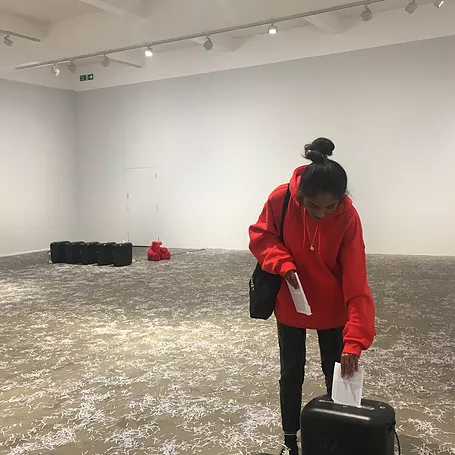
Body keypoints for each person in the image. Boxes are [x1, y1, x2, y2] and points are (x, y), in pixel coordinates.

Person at [249, 138, 375, 455]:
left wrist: (355, 340)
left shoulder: (348, 218)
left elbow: (356, 280)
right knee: (291, 373)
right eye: (312, 207)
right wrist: (283, 263)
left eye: (329, 207)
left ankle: (336, 436)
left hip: (332, 308)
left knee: (337, 372)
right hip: (292, 301)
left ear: (342, 200)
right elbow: (261, 235)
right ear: (300, 195)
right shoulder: (281, 199)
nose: (320, 214)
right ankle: (290, 438)